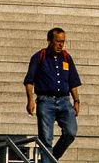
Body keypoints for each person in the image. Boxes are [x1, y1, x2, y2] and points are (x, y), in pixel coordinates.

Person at [24, 28, 81, 163]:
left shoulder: (66, 57)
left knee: (70, 132)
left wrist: (77, 101)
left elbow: (73, 81)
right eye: (58, 41)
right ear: (49, 41)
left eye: (63, 42)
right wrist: (30, 100)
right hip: (45, 101)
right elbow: (29, 81)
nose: (61, 44)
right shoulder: (39, 56)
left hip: (64, 101)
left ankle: (52, 159)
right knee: (46, 139)